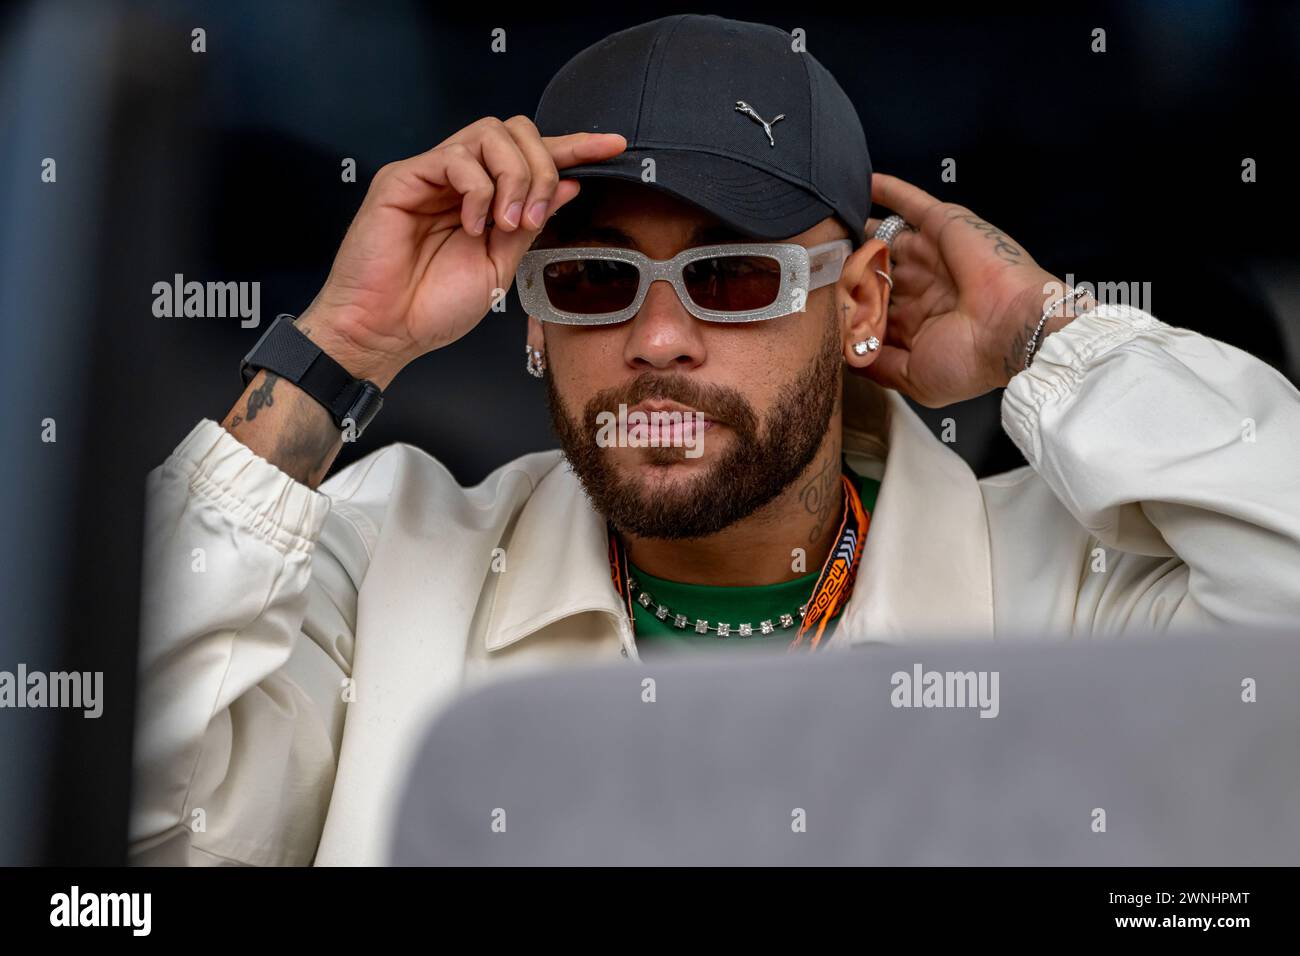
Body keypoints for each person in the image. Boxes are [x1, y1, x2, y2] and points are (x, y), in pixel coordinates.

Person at [129, 14, 1300, 865]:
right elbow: (119, 812)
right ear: (535, 317)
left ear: (859, 303)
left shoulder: (1065, 599)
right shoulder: (383, 557)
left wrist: (1045, 330)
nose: (656, 336)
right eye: (591, 278)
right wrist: (338, 348)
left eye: (729, 274)